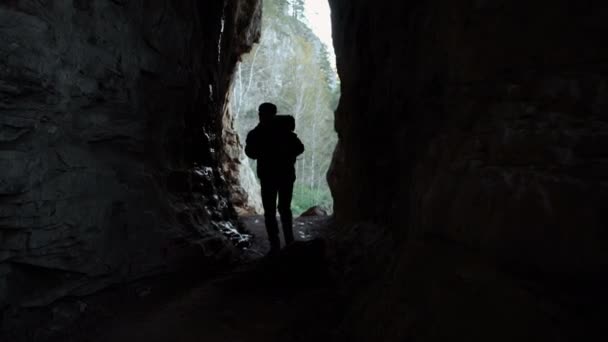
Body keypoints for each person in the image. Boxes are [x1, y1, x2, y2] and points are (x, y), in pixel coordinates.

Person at [245, 103, 304, 255]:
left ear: (261, 114)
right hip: (285, 175)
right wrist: (285, 153)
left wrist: (265, 152)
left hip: (268, 176)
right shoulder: (284, 132)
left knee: (270, 211)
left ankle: (275, 245)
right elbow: (299, 148)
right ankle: (289, 242)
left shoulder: (257, 133)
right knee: (284, 209)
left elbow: (250, 152)